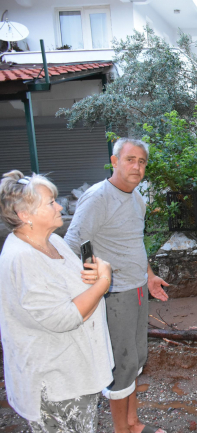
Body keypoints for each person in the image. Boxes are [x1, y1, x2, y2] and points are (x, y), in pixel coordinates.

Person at [65, 138, 169, 433]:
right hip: (113, 294)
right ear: (114, 161)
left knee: (135, 359)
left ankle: (133, 423)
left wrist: (149, 276)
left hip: (136, 289)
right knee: (121, 364)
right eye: (130, 159)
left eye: (142, 162)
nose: (137, 167)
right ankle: (120, 430)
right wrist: (91, 285)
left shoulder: (137, 198)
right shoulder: (98, 198)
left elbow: (135, 243)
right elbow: (71, 246)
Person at [0, 170, 114, 432]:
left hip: (74, 373)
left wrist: (97, 272)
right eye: (50, 202)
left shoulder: (52, 242)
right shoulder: (23, 258)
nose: (59, 206)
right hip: (54, 384)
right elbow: (66, 316)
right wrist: (104, 282)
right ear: (24, 215)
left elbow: (78, 284)